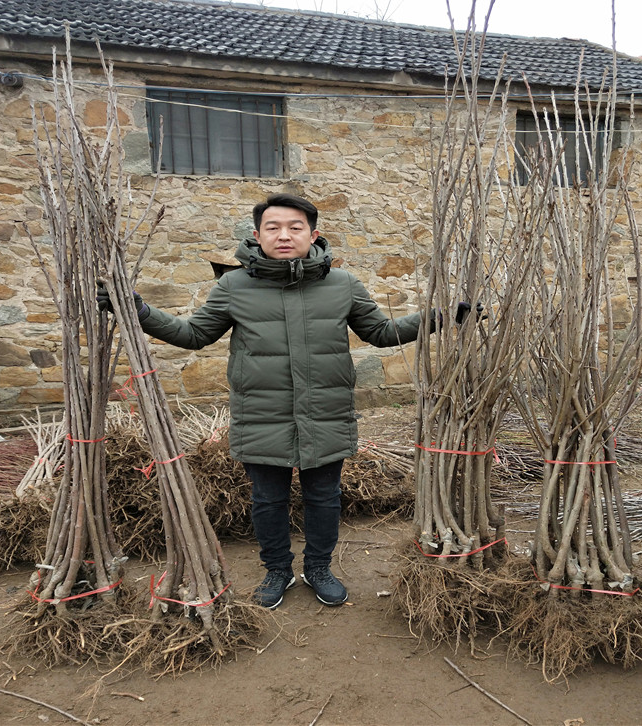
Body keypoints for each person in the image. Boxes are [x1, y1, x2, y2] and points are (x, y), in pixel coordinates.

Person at [98, 193, 431, 609]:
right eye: (273, 228)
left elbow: (381, 333)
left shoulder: (342, 284)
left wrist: (436, 317)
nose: (284, 235)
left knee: (324, 497)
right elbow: (193, 334)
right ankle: (277, 570)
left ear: (314, 234)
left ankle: (319, 568)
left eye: (295, 227)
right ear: (257, 235)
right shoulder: (234, 285)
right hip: (261, 412)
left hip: (325, 412)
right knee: (267, 499)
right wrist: (140, 310)